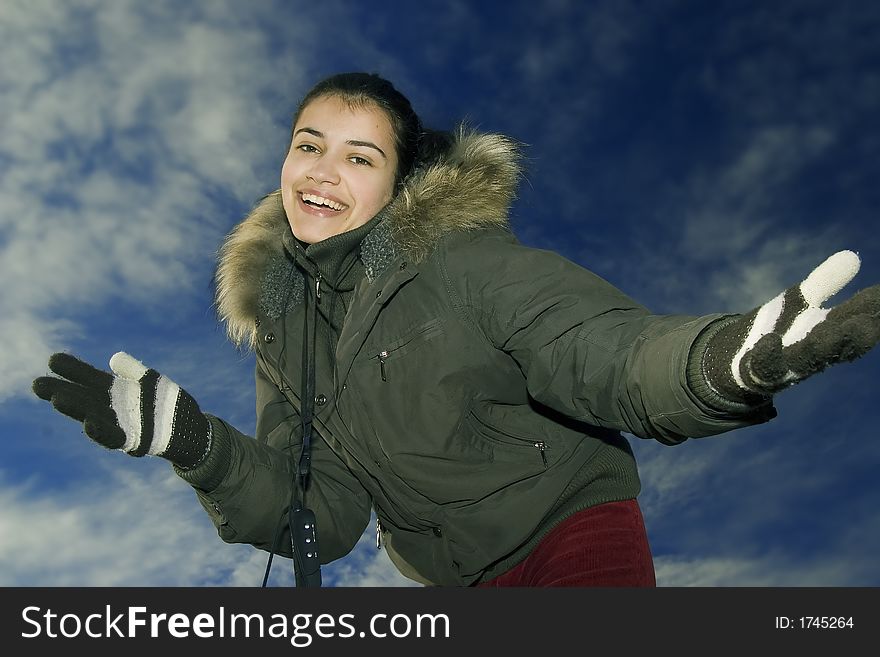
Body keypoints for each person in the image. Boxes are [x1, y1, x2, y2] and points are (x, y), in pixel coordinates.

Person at [32, 72, 880, 588]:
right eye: (308, 145)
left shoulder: (457, 259)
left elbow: (600, 347)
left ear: (399, 181)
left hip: (569, 531)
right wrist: (198, 446)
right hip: (452, 579)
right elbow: (323, 517)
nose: (323, 172)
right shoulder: (284, 334)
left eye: (360, 157)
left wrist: (718, 362)